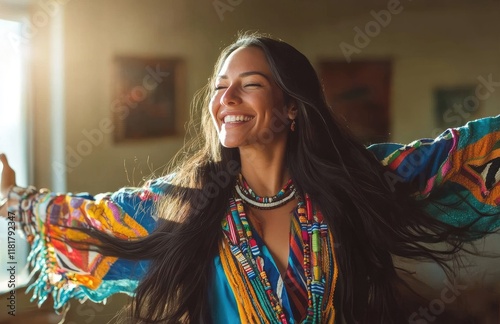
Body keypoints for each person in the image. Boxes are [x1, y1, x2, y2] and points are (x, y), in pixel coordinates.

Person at [1, 32, 500, 324]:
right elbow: (96, 218)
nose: (226, 100)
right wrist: (12, 199)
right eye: (220, 88)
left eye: (250, 85)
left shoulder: (351, 182)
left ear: (291, 109)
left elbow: (455, 157)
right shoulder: (187, 203)